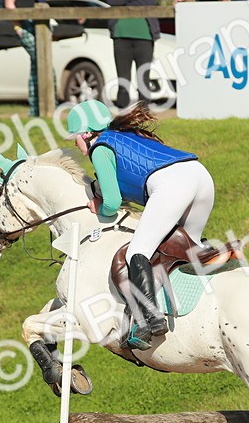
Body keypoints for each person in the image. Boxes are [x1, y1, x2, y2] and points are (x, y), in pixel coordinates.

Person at [66, 99, 216, 349]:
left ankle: (150, 318)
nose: (74, 141)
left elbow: (112, 202)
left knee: (138, 251)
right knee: (185, 246)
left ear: (86, 133)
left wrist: (98, 207)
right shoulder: (124, 135)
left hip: (172, 185)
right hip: (199, 175)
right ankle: (193, 305)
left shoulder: (100, 148)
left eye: (75, 136)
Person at [106, 0, 160, 109]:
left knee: (143, 79)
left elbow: (150, 2)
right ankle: (122, 118)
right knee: (123, 80)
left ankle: (144, 116)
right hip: (121, 37)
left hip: (144, 38)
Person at [4, 0, 51, 117]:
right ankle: (46, 108)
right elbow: (9, 3)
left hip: (40, 23)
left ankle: (35, 111)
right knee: (44, 64)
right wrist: (17, 26)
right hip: (24, 24)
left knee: (36, 67)